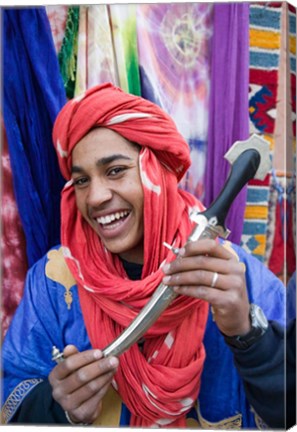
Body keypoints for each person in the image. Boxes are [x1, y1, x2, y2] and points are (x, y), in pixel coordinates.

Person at [1, 83, 285, 428]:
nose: (95, 197)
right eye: (81, 181)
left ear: (159, 171)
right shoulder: (53, 281)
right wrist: (56, 405)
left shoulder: (234, 279)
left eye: (115, 170)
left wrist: (248, 334)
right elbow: (11, 388)